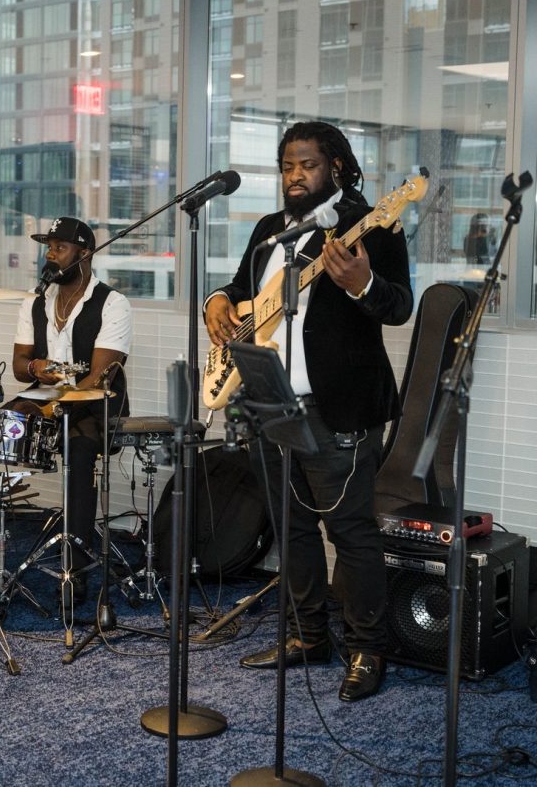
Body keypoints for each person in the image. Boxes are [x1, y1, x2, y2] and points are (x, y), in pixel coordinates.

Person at [204, 121, 413, 702]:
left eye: (308, 166)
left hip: (338, 407)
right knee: (291, 527)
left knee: (350, 531)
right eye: (288, 167)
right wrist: (216, 300)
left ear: (338, 168)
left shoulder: (374, 223)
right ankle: (308, 636)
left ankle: (367, 648)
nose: (296, 176)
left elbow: (399, 305)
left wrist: (362, 282)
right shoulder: (271, 231)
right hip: (268, 397)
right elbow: (238, 286)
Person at [0, 217, 132, 604]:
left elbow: (97, 378)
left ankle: (77, 569)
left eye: (59, 247)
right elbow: (22, 365)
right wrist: (40, 370)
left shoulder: (113, 303)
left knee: (80, 451)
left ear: (84, 253)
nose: (50, 255)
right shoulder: (34, 302)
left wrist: (55, 406)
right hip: (43, 400)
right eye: (48, 247)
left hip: (95, 406)